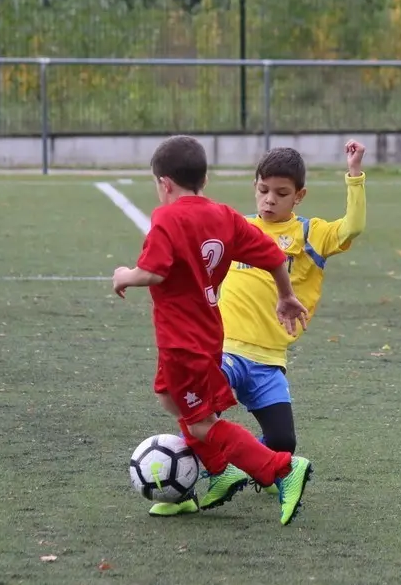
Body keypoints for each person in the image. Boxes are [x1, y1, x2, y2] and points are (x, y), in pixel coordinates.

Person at [111, 135, 313, 526]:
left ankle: (281, 468)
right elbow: (272, 255)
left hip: (182, 341)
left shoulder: (167, 217)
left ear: (164, 183)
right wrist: (286, 295)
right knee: (169, 397)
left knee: (201, 423)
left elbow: (152, 272)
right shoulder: (225, 216)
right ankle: (220, 471)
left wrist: (124, 275)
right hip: (206, 332)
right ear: (204, 179)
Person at [195, 140, 366, 505]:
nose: (269, 200)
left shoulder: (310, 234)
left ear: (299, 196)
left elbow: (352, 227)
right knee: (200, 415)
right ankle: (185, 483)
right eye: (263, 190)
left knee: (283, 442)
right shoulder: (238, 227)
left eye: (281, 193)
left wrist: (354, 174)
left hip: (270, 360)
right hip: (226, 349)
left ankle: (240, 469)